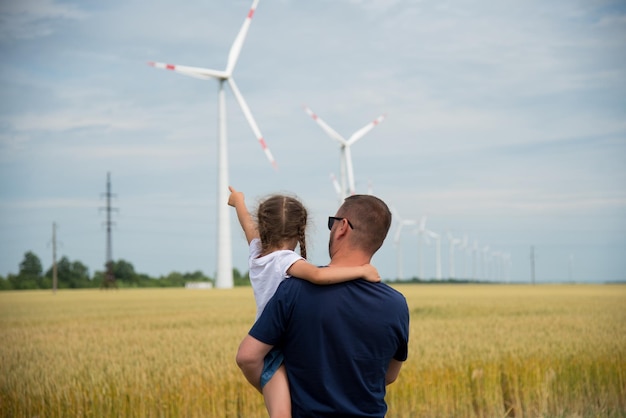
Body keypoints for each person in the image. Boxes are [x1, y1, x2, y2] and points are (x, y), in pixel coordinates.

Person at [236, 194, 410, 417]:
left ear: (342, 228)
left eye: (332, 223)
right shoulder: (396, 305)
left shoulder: (294, 289)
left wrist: (278, 390)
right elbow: (388, 376)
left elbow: (248, 357)